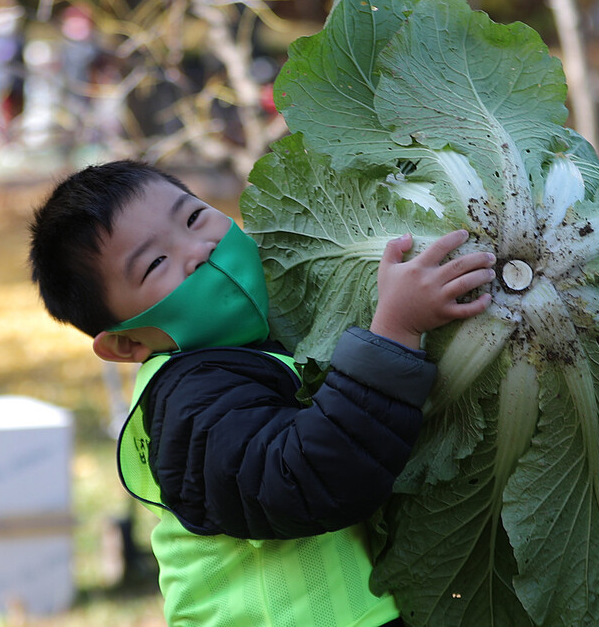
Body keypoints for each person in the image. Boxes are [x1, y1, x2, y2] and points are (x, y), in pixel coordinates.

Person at [28, 160, 496, 626]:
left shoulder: (251, 353)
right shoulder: (189, 405)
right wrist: (396, 329)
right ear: (127, 343)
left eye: (193, 218)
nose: (200, 250)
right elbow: (307, 477)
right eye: (155, 263)